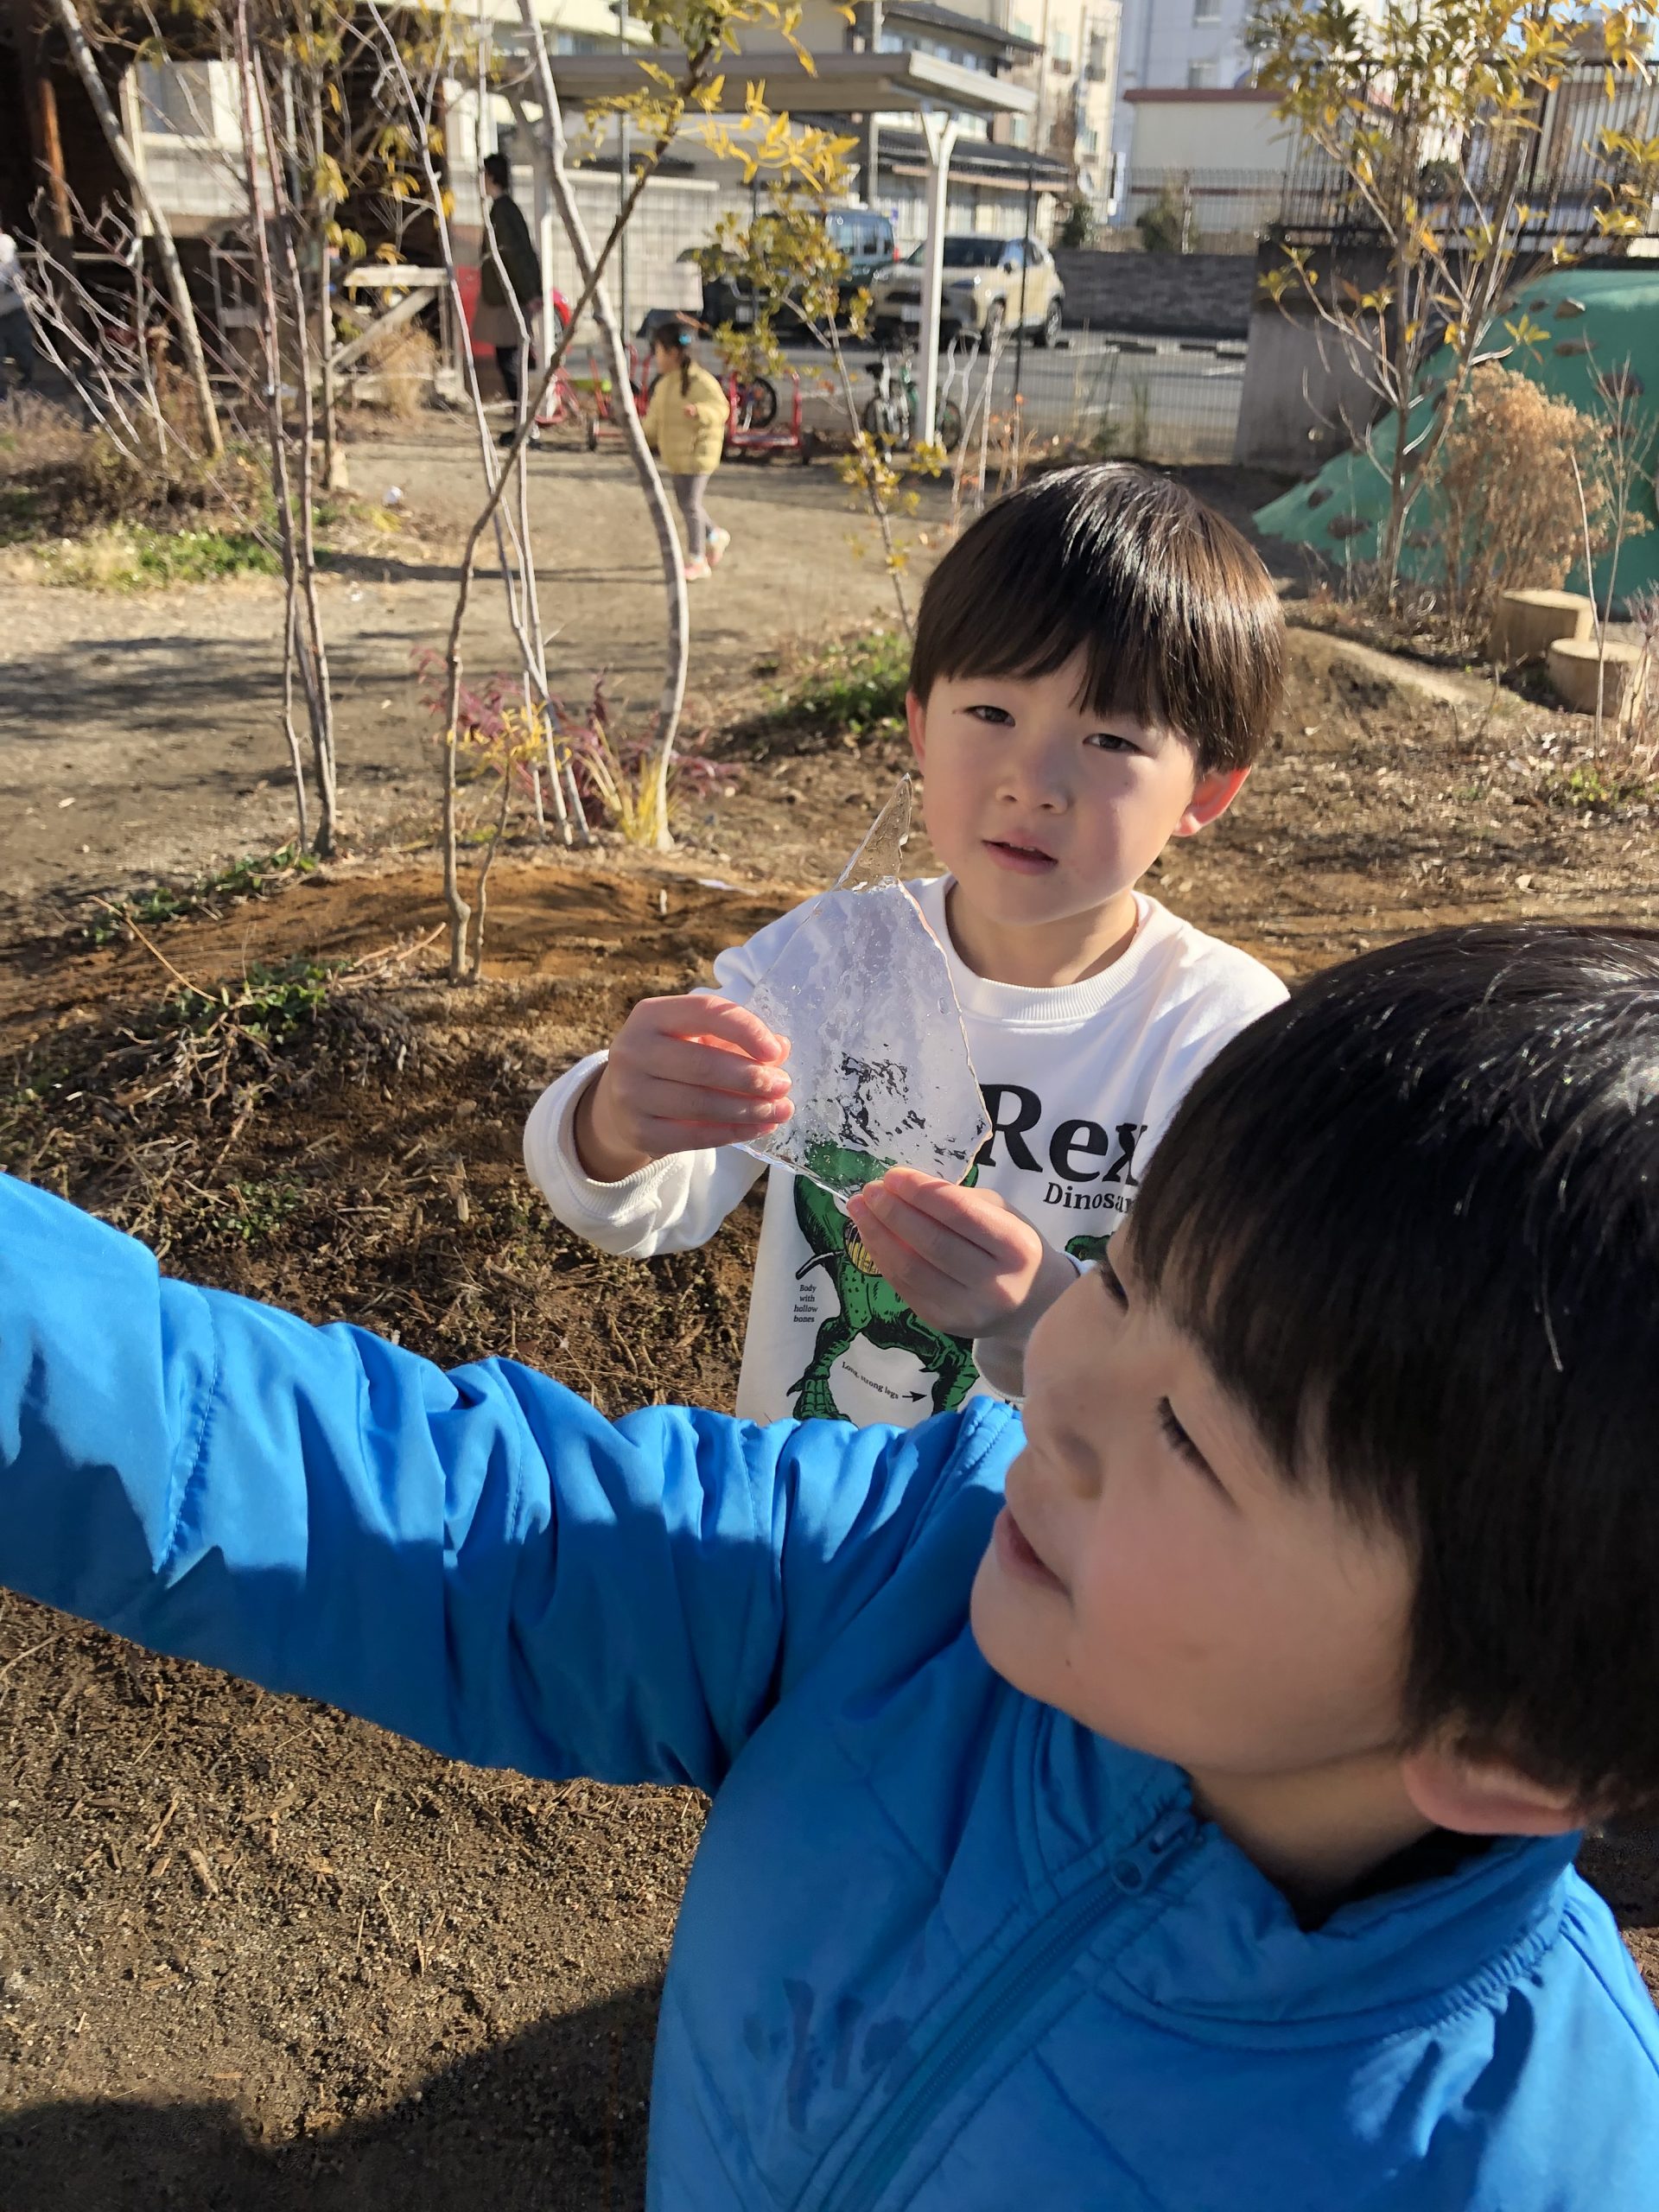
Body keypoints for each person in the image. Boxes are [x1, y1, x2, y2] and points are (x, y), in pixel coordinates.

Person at [3, 922, 1659, 2207]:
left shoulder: (1531, 2170)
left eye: (1191, 1438)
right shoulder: (900, 1568)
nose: (1057, 1382)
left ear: (1503, 1746)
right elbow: (423, 1505)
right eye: (1125, 1279)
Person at [525, 466, 1287, 1423]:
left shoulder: (1221, 1040)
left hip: (1045, 1517)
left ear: (1207, 788)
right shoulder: (831, 962)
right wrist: (614, 1123)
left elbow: (1230, 1372)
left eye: (1110, 741)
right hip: (804, 1504)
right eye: (993, 714)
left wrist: (1042, 1312)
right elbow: (651, 1202)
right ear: (922, 727)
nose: (1032, 782)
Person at [641, 316, 730, 580]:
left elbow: (721, 409)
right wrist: (640, 438)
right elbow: (654, 422)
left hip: (698, 455)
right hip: (677, 457)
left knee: (690, 505)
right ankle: (714, 535)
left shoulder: (702, 381)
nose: (656, 357)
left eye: (658, 351)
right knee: (687, 504)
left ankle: (697, 559)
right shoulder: (664, 385)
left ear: (672, 353)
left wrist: (700, 412)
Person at [476, 151, 543, 448]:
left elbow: (514, 256)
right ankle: (523, 424)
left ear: (491, 176)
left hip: (510, 299)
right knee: (511, 360)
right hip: (510, 297)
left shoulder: (502, 212)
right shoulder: (504, 209)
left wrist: (530, 294)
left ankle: (526, 427)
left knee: (510, 361)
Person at [0, 223, 36, 400]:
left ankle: (26, 385)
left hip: (13, 306)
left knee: (22, 349)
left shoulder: (5, 243)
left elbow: (6, 273)